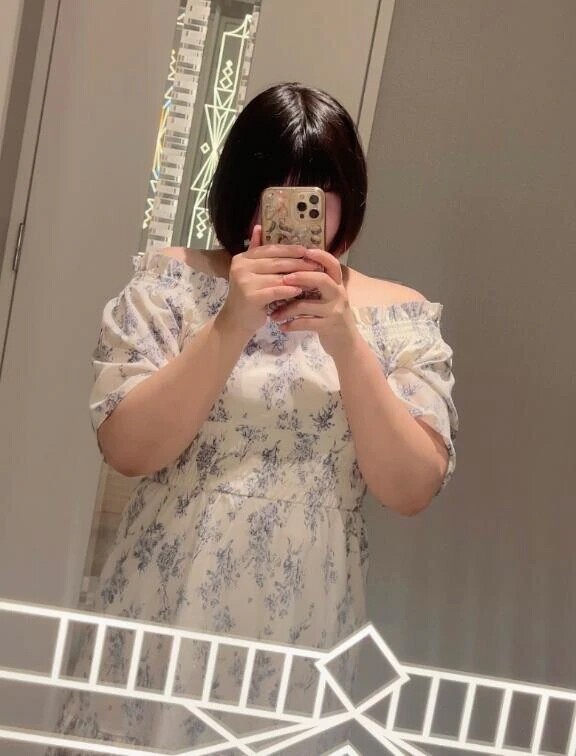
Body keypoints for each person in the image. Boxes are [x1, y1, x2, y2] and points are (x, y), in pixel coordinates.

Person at [50, 82, 459, 754]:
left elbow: (411, 487)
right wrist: (232, 321)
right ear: (243, 190)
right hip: (164, 601)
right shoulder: (173, 286)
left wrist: (347, 342)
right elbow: (127, 448)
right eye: (278, 188)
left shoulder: (397, 318)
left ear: (347, 199)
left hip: (303, 625)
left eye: (316, 192)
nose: (298, 208)